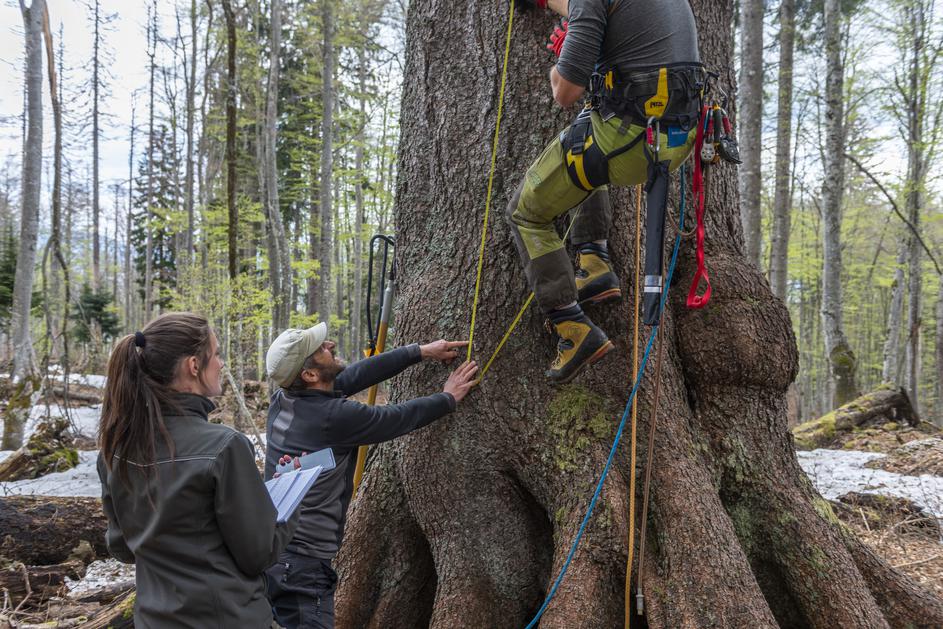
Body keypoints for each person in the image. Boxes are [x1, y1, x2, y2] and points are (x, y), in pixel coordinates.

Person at [507, 0, 704, 383]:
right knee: (582, 142)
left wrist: (565, 60)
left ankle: (571, 326)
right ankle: (594, 263)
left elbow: (565, 91)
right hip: (678, 135)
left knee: (525, 213)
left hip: (633, 141)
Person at [262, 322, 478, 629]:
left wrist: (419, 352)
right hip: (302, 563)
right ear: (309, 375)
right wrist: (448, 397)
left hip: (275, 552)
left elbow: (354, 376)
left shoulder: (285, 400)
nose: (331, 345)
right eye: (321, 348)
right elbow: (396, 418)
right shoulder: (334, 417)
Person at [97, 312, 299, 628]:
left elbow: (122, 547)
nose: (221, 363)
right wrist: (292, 499)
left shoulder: (114, 449)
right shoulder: (224, 446)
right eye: (216, 354)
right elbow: (258, 555)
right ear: (194, 365)